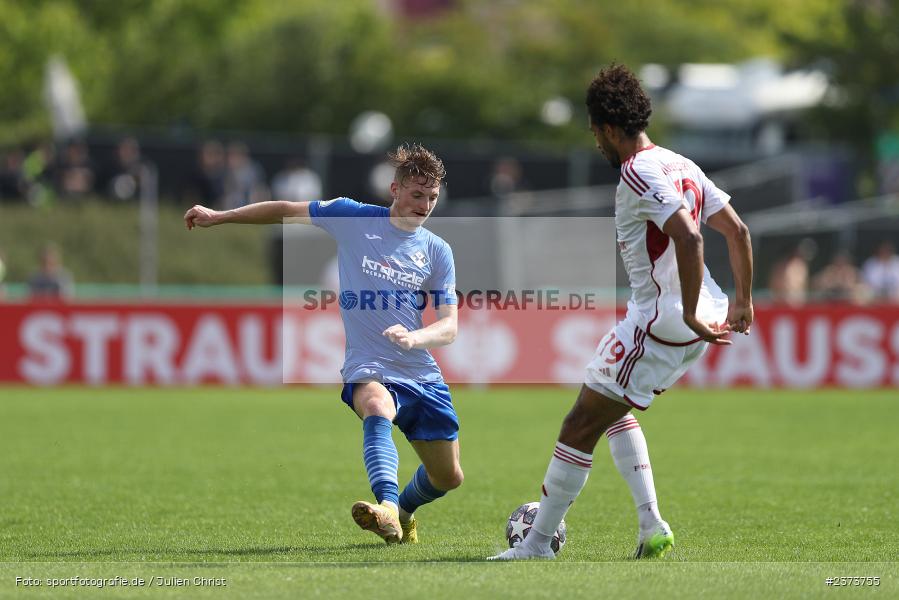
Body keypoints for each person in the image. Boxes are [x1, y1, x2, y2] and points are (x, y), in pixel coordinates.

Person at [489, 64, 753, 560]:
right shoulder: (682, 164)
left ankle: (537, 543)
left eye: (595, 133)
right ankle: (651, 525)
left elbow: (690, 237)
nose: (596, 143)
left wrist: (688, 312)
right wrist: (742, 301)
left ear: (610, 128)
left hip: (662, 320)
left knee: (579, 425)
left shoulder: (637, 170)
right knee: (611, 408)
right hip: (697, 318)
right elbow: (737, 232)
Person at [184, 143, 462, 545]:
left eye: (432, 197)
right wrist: (221, 215)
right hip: (368, 362)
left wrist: (414, 337)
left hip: (420, 371)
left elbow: (449, 327)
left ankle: (403, 512)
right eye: (417, 194)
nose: (425, 205)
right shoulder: (352, 216)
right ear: (395, 189)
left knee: (448, 477)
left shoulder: (437, 250)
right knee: (376, 406)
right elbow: (285, 209)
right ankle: (386, 505)